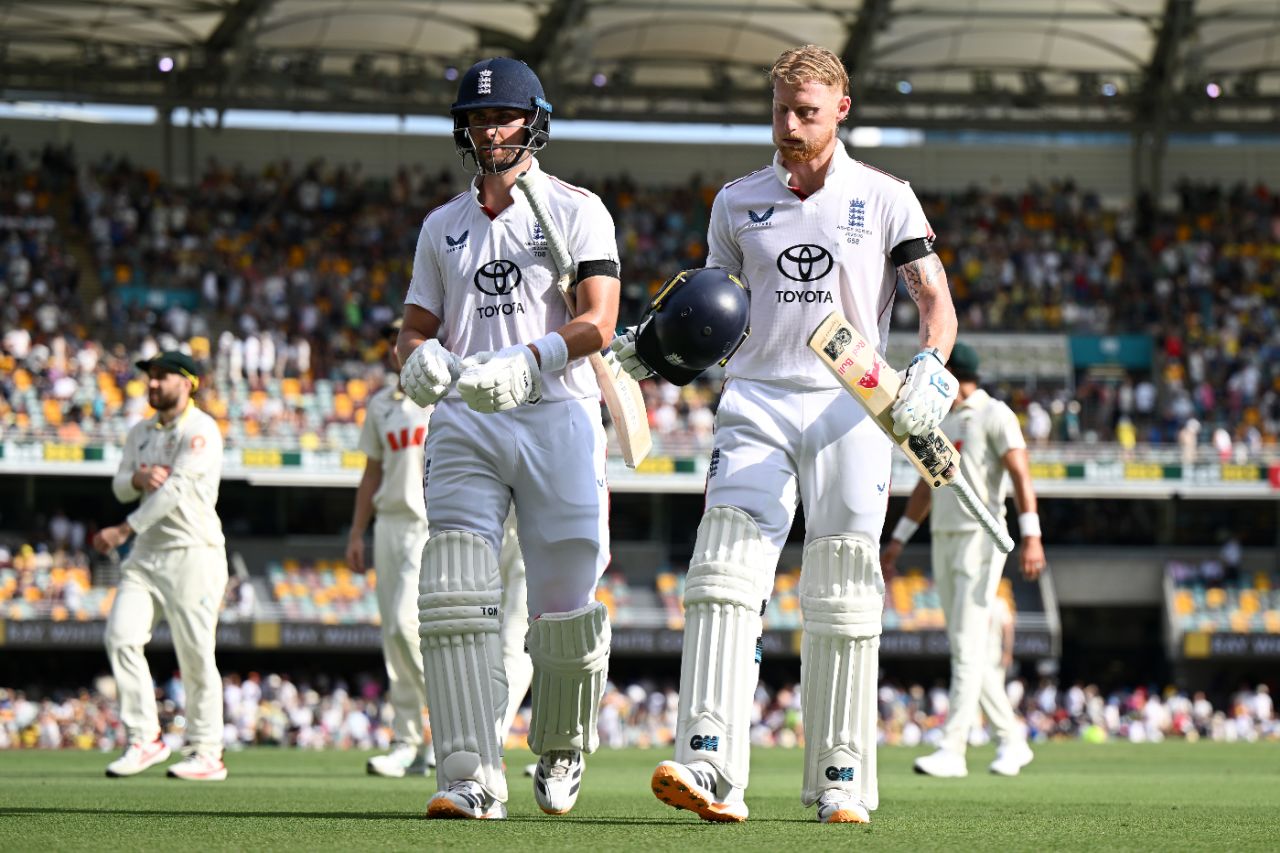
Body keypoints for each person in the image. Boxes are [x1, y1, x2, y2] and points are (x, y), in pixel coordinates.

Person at [614, 44, 959, 825]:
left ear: (842, 109)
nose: (791, 126)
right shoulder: (737, 201)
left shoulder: (887, 196)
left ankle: (840, 777)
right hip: (757, 398)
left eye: (807, 111)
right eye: (781, 111)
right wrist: (656, 344)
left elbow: (936, 303)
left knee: (842, 589)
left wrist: (930, 373)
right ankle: (708, 763)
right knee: (723, 572)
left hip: (852, 404)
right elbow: (714, 306)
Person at [395, 56, 619, 820]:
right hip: (465, 418)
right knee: (454, 585)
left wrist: (532, 360)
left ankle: (560, 747)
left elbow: (599, 318)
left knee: (564, 607)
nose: (491, 129)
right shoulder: (442, 226)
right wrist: (418, 360)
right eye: (479, 118)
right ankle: (468, 772)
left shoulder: (577, 209)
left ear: (534, 121)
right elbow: (416, 328)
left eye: (505, 116)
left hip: (557, 412)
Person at [348, 322, 534, 778]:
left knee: (407, 625)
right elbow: (372, 472)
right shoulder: (382, 406)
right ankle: (407, 739)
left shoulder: (452, 390)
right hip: (391, 522)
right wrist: (357, 531)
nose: (405, 349)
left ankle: (452, 720)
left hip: (435, 520)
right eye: (400, 342)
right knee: (393, 636)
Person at [880, 341, 1045, 778]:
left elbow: (1020, 473)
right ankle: (1012, 739)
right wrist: (897, 541)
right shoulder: (942, 418)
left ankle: (953, 748)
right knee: (965, 645)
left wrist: (1032, 536)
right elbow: (925, 486)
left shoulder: (995, 414)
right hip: (944, 535)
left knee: (968, 643)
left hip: (982, 536)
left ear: (951, 374)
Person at [94, 351, 229, 781]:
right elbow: (118, 486)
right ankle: (145, 738)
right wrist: (135, 479)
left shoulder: (202, 429)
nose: (152, 384)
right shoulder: (140, 432)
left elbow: (175, 491)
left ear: (187, 382)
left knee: (195, 655)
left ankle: (207, 751)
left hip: (194, 551)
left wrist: (122, 530)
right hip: (147, 556)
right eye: (150, 377)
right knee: (120, 637)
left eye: (162, 377)